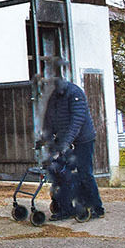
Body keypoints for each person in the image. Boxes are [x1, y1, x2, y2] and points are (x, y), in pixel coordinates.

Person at [39, 70, 104, 221]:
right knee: (60, 174)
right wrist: (46, 138)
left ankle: (96, 208)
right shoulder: (52, 97)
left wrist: (66, 143)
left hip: (83, 139)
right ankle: (65, 209)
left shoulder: (75, 93)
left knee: (84, 173)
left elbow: (77, 121)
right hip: (64, 140)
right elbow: (50, 120)